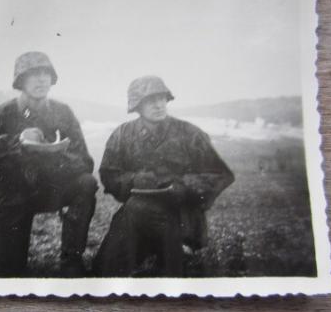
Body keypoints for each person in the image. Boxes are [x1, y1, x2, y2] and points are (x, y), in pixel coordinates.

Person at [0, 51, 97, 277]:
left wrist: (54, 157)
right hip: (13, 196)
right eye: (33, 74)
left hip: (52, 190)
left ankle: (71, 260)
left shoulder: (63, 112)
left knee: (86, 183)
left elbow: (85, 161)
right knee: (10, 271)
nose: (42, 79)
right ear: (20, 80)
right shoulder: (2, 113)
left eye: (46, 73)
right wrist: (15, 144)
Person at [93, 75, 234, 277]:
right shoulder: (122, 135)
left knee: (171, 276)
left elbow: (221, 174)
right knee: (103, 271)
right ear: (137, 106)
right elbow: (109, 175)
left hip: (182, 214)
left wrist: (185, 186)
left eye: (161, 98)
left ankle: (174, 261)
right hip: (136, 216)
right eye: (150, 100)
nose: (158, 105)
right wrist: (133, 179)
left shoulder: (189, 133)